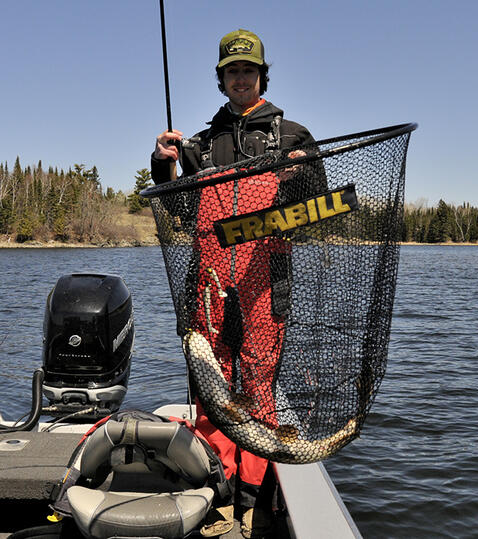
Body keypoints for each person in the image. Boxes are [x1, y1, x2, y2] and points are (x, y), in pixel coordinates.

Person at [151, 28, 322, 538]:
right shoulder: (200, 145)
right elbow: (182, 209)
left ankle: (253, 495)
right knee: (212, 384)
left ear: (261, 76)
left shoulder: (292, 135)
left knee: (258, 380)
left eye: (248, 70)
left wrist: (302, 178)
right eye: (232, 71)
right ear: (222, 80)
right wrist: (163, 165)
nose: (240, 78)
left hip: (265, 278)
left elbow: (314, 212)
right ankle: (217, 489)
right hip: (210, 280)